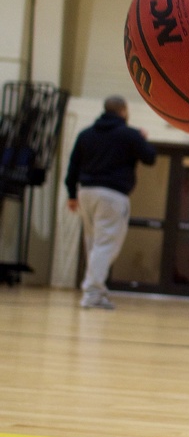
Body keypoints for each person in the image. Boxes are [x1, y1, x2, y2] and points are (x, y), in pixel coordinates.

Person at [65, 95, 156, 309]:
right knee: (106, 246)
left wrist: (71, 194)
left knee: (94, 244)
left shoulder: (85, 134)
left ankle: (97, 290)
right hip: (112, 195)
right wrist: (142, 138)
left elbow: (73, 167)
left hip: (86, 193)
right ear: (123, 111)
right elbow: (150, 158)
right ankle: (92, 293)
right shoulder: (129, 135)